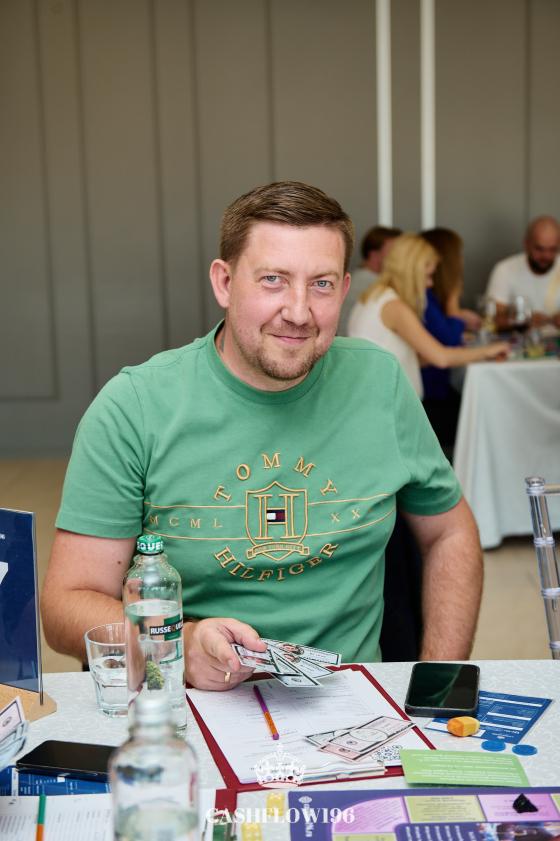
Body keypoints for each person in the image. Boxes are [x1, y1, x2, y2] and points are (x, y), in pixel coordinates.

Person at [42, 181, 483, 692]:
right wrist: (177, 645)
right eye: (273, 280)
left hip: (352, 703)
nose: (298, 311)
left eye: (321, 284)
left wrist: (439, 683)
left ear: (344, 290)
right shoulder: (134, 407)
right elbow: (66, 604)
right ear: (224, 282)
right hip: (190, 704)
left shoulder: (380, 383)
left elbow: (450, 532)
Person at [347, 233, 509, 398]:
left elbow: (416, 358)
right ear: (412, 273)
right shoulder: (393, 307)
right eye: (428, 276)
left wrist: (455, 353)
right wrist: (488, 351)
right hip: (387, 403)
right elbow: (442, 358)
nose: (430, 283)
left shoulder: (376, 296)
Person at [420, 228, 481, 448]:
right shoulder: (425, 297)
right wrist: (454, 301)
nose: (462, 260)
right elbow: (449, 340)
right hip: (430, 395)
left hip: (436, 389)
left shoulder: (430, 296)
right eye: (459, 255)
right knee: (477, 415)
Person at [486, 216, 560, 328]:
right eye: (539, 249)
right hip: (517, 338)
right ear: (526, 244)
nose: (546, 256)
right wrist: (524, 319)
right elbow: (491, 318)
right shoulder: (505, 269)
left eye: (553, 249)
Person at [339, 225, 401, 335]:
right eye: (393, 252)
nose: (400, 257)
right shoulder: (373, 283)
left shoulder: (360, 277)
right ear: (374, 255)